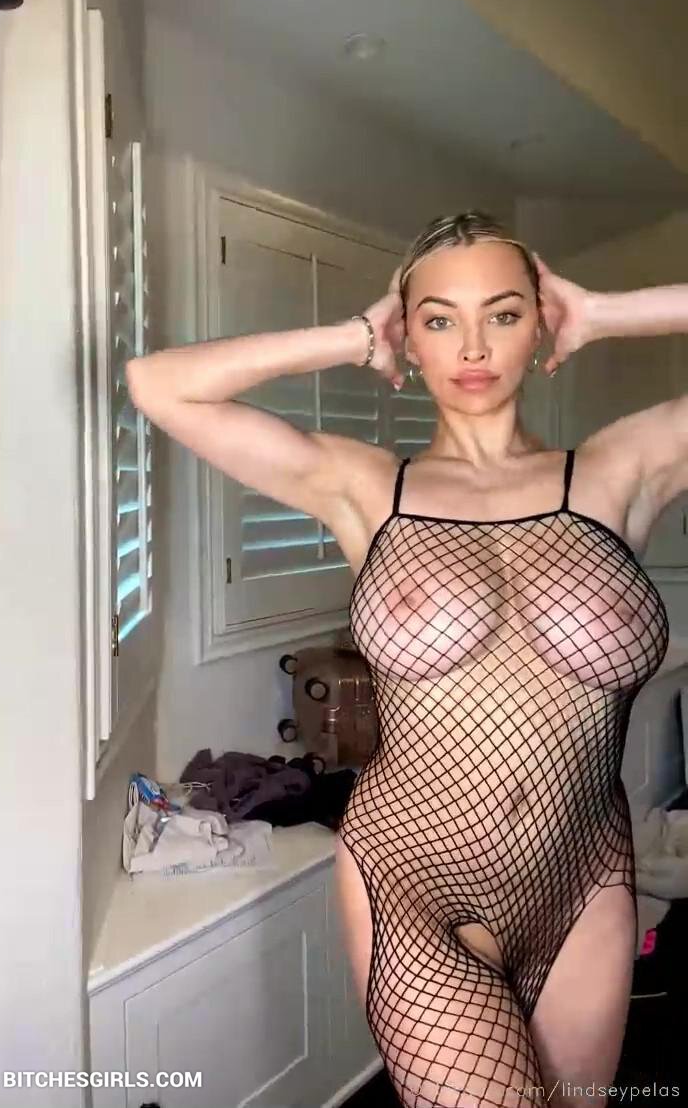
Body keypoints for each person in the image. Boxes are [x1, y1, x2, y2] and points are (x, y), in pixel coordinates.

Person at [127, 209, 687, 1108]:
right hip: (414, 878)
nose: (474, 346)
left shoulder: (619, 471)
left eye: (504, 313)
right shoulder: (365, 487)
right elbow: (158, 385)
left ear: (541, 324)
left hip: (585, 877)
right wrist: (355, 336)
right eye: (439, 319)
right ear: (409, 338)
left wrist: (605, 312)